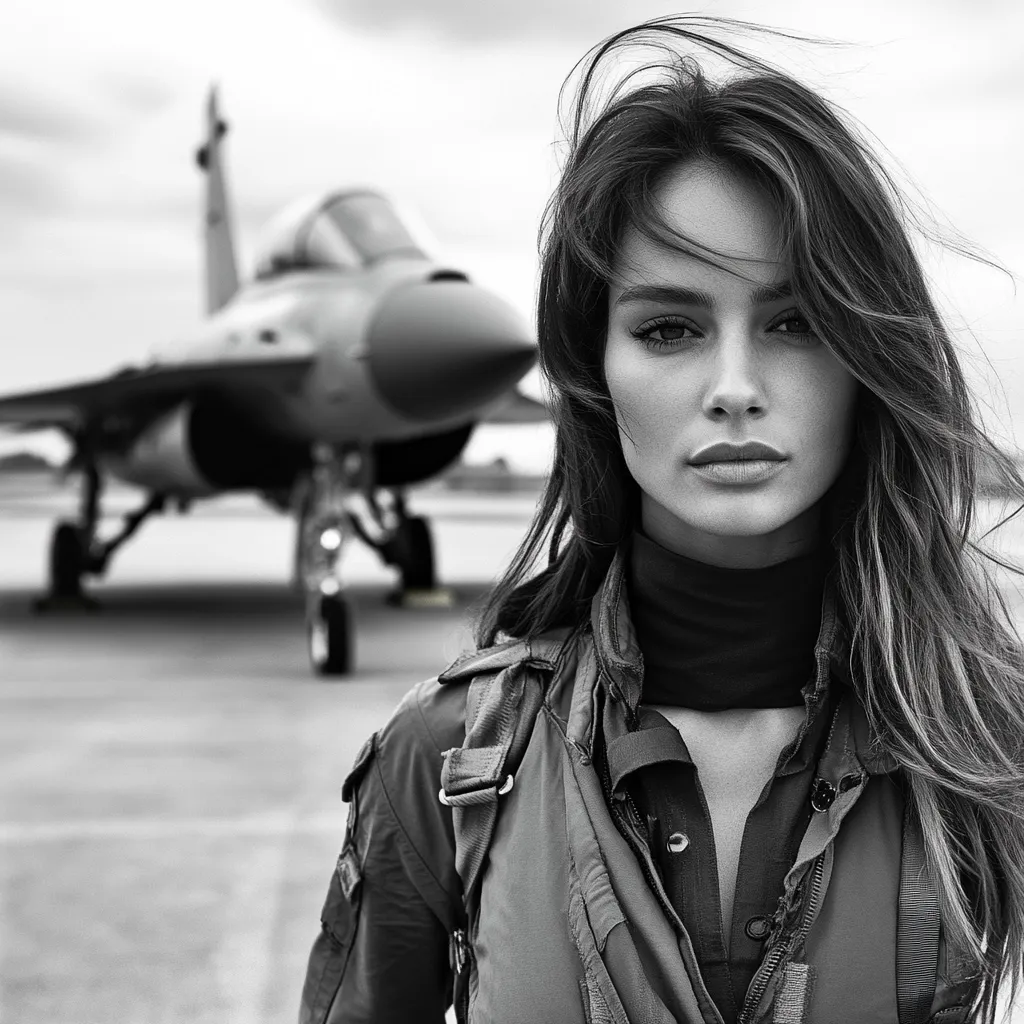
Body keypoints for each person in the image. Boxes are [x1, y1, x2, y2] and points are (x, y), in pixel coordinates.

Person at [299, 16, 1024, 1024]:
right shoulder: (446, 761)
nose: (734, 388)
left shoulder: (985, 746)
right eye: (668, 328)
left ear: (867, 356)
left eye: (796, 321)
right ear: (595, 371)